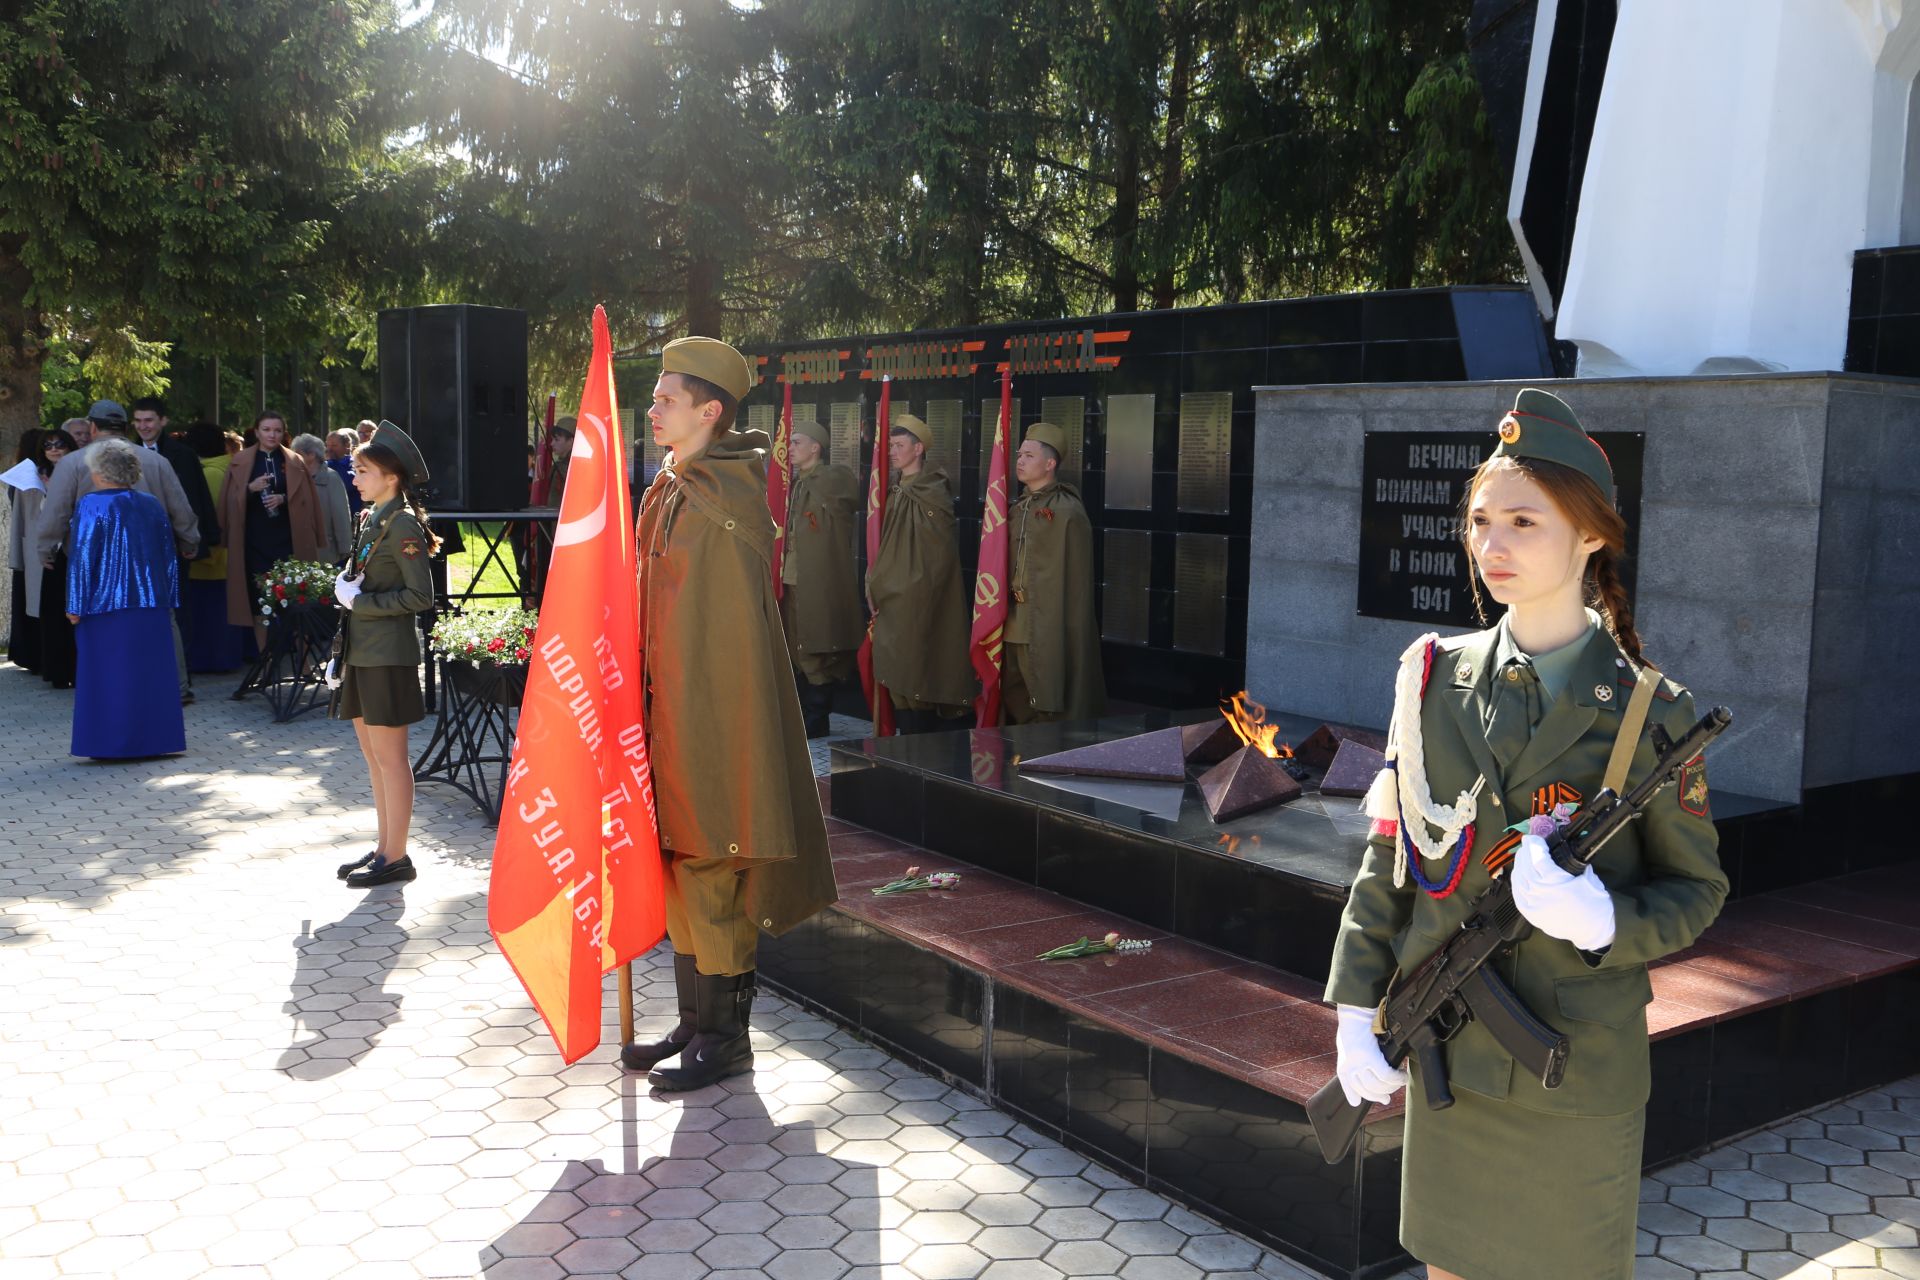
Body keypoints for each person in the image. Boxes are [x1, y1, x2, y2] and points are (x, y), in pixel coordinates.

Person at [1324, 389, 1727, 1280]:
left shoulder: (1650, 713)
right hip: (1450, 1054)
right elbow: (1392, 860)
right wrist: (1356, 1007)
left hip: (1573, 1072)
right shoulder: (1431, 679)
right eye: (1479, 522)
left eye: (1522, 521)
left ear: (1590, 536)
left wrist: (1604, 922)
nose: (1492, 545)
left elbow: (1698, 892)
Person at [621, 336, 837, 1092]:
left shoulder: (724, 497)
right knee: (682, 862)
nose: (651, 410)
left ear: (709, 410)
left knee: (713, 854)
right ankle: (695, 1021)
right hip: (668, 706)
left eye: (665, 399)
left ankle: (728, 1038)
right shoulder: (676, 485)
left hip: (710, 712)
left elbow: (723, 634)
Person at [34, 401, 200, 705]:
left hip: (95, 557)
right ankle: (176, 685)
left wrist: (46, 547)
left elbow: (55, 511)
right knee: (163, 616)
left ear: (93, 427)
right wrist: (189, 541)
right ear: (125, 427)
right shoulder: (155, 462)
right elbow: (180, 508)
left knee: (102, 619)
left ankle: (110, 687)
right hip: (151, 553)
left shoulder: (73, 463)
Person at [329, 422, 437, 890]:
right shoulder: (372, 518)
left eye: (363, 470)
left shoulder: (403, 523)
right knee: (374, 758)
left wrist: (362, 602)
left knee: (391, 760)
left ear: (390, 477)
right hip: (361, 651)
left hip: (388, 655)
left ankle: (398, 855)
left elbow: (421, 596)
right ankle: (384, 846)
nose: (355, 478)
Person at [64, 437, 185, 758]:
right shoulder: (151, 503)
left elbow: (82, 558)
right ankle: (156, 740)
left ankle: (111, 743)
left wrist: (75, 604)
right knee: (150, 675)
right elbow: (168, 555)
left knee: (109, 676)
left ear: (100, 472)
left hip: (104, 607)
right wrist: (169, 596)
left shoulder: (91, 505)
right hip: (151, 603)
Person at [865, 413, 975, 733]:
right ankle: (906, 737)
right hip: (890, 595)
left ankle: (919, 739)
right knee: (896, 667)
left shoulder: (931, 490)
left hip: (914, 595)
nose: (892, 452)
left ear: (918, 449)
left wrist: (899, 584)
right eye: (890, 446)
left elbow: (934, 555)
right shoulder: (897, 488)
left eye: (899, 445)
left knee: (916, 666)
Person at [1002, 422, 1104, 723]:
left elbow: (1074, 584)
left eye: (1029, 455)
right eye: (1019, 454)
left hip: (1048, 621)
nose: (1020, 461)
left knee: (1047, 694)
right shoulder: (1018, 507)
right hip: (1014, 619)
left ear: (1050, 463)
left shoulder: (1067, 511)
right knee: (1016, 694)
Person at [779, 410, 862, 737]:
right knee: (796, 645)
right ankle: (802, 714)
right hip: (792, 578)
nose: (792, 448)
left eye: (797, 443)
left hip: (816, 581)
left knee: (816, 646)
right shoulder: (796, 484)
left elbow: (845, 493)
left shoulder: (830, 479)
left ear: (816, 448)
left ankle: (817, 718)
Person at [219, 410, 324, 650]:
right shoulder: (240, 460)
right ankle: (263, 660)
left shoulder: (294, 461)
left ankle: (304, 660)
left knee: (298, 602)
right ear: (256, 432)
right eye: (266, 430)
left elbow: (308, 499)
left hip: (288, 541)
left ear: (283, 433)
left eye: (277, 430)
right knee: (259, 604)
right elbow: (228, 502)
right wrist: (249, 489)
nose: (271, 435)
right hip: (254, 543)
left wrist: (284, 498)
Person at [182, 423, 248, 673]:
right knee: (224, 614)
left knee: (207, 615)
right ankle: (226, 659)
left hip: (210, 557)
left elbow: (205, 516)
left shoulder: (209, 474)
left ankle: (209, 662)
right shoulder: (230, 467)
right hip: (229, 555)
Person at [27, 428, 82, 687]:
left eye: (60, 444)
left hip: (76, 549)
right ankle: (58, 671)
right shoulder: (37, 476)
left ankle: (78, 670)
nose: (54, 449)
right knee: (53, 613)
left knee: (75, 612)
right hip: (52, 550)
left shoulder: (80, 471)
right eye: (48, 445)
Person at [6, 428, 46, 672]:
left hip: (26, 549)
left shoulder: (23, 473)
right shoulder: (30, 475)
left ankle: (27, 654)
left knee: (28, 602)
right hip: (33, 549)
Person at [293, 433, 354, 564]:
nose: (293, 457)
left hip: (326, 552)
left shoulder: (331, 478)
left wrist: (345, 548)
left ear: (311, 455)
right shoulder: (295, 477)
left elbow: (341, 515)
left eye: (297, 453)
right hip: (299, 552)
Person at [325, 429, 363, 514]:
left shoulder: (355, 463)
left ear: (347, 446)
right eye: (327, 445)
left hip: (350, 517)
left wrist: (333, 462)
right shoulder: (325, 464)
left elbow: (347, 483)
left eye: (334, 445)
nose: (329, 449)